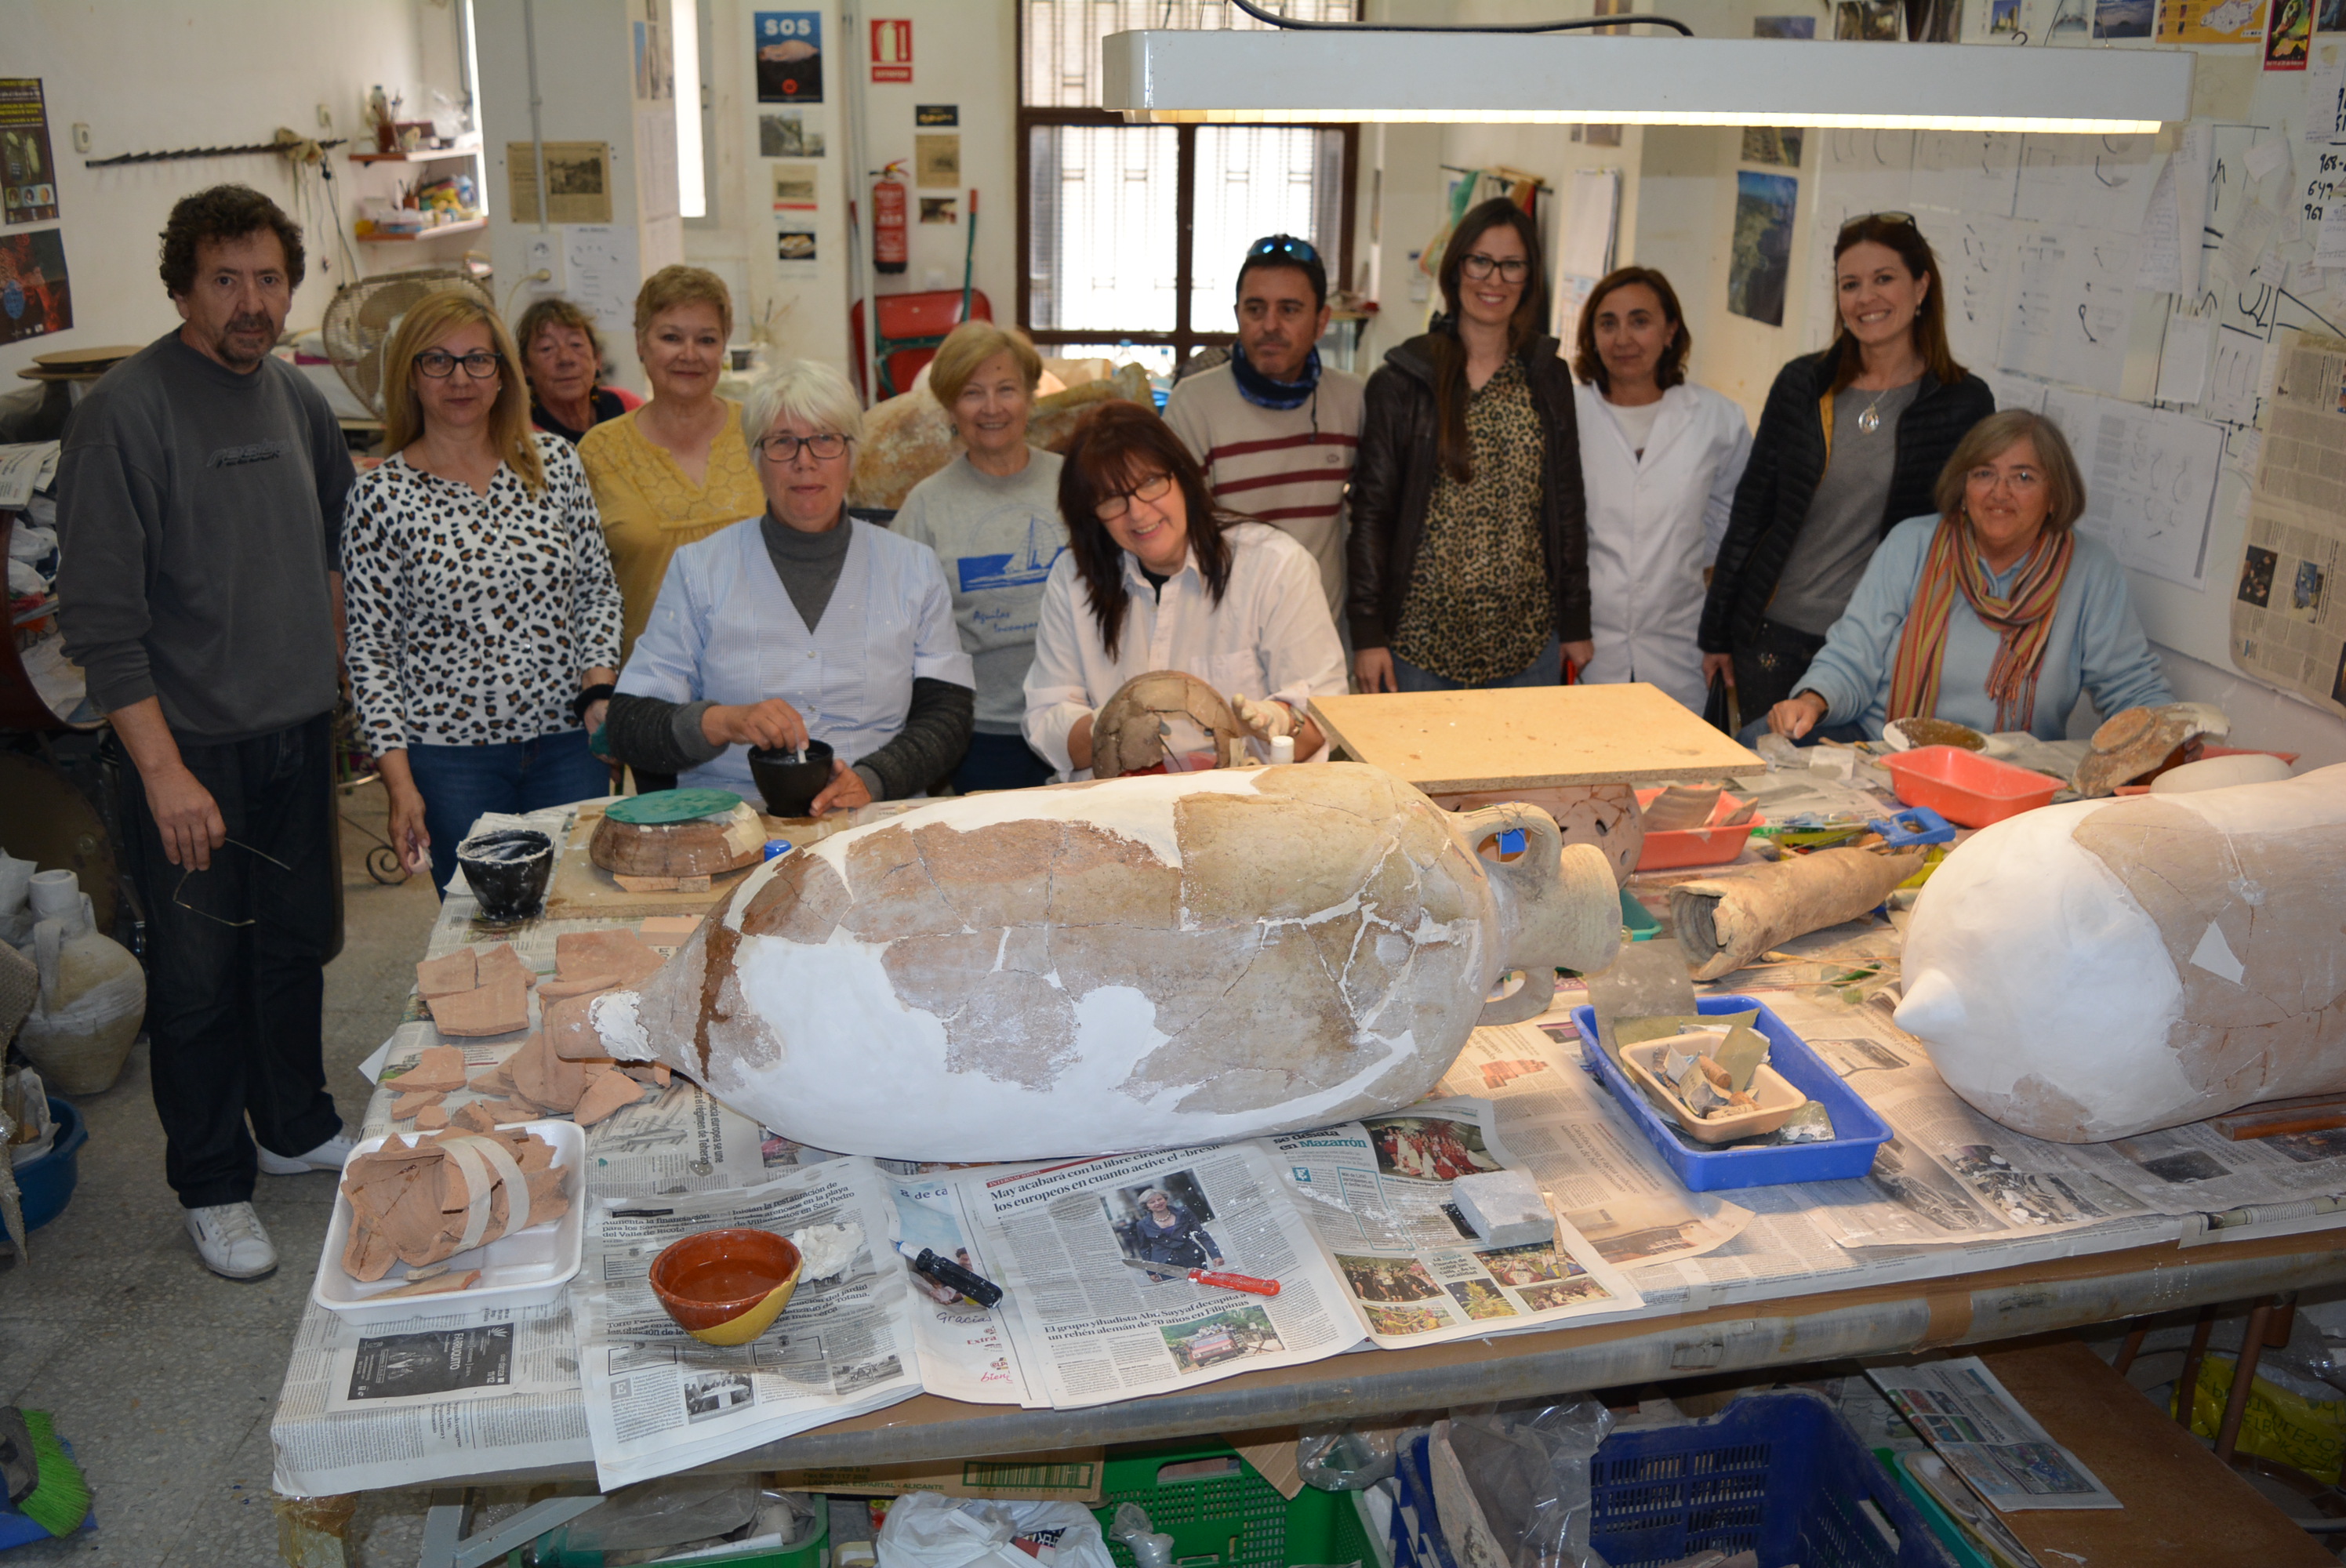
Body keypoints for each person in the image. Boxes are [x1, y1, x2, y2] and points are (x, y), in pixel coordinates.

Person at [54, 185, 355, 1279]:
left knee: (292, 950)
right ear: (181, 283)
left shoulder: (294, 399)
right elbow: (100, 624)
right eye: (225, 279)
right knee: (193, 978)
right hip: (186, 754)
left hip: (293, 737)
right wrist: (166, 772)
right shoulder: (125, 414)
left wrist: (330, 687)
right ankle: (213, 1181)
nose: (251, 301)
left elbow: (329, 542)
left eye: (270, 278)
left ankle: (293, 1128)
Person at [341, 292, 624, 895]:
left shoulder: (554, 463)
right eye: (437, 361)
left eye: (478, 360)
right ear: (410, 377)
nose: (460, 377)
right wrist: (399, 784)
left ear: (503, 375)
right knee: (480, 923)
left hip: (565, 743)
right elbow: (371, 655)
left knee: (577, 905)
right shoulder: (379, 497)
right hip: (450, 760)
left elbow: (597, 589)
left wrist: (598, 690)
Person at [602, 360, 974, 810]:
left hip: (872, 816)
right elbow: (630, 722)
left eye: (825, 440)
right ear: (756, 460)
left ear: (852, 455)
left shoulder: (913, 567)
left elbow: (948, 715)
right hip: (733, 819)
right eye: (782, 443)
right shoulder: (700, 568)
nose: (805, 462)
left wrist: (875, 779)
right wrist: (723, 722)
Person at [1701, 213, 1994, 720]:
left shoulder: (1961, 404)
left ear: (1921, 286)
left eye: (1884, 279)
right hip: (1774, 635)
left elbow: (1966, 533)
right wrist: (1717, 632)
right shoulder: (1803, 385)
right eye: (1850, 284)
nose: (1866, 298)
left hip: (1879, 647)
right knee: (1774, 784)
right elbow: (1752, 510)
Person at [1766, 410, 2173, 744]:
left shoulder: (2090, 570)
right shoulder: (1913, 544)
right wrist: (1813, 698)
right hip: (1885, 752)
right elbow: (1853, 655)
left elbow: (2131, 687)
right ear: (1963, 487)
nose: (2000, 492)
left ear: (2055, 495)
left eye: (2024, 477)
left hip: (2011, 778)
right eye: (1983, 474)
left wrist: (2171, 736)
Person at [1022, 401, 1347, 779]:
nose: (1139, 513)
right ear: (1090, 514)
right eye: (1112, 499)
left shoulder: (1275, 565)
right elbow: (1046, 718)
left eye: (1149, 482)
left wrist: (1272, 723)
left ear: (1184, 476)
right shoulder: (1074, 576)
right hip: (1110, 807)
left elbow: (1326, 721)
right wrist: (1109, 728)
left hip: (1239, 807)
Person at [1349, 198, 1591, 692]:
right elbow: (1372, 515)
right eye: (1480, 261)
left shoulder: (1548, 376)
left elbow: (1567, 505)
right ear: (1456, 268)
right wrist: (1368, 633)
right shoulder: (1401, 381)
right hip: (1418, 648)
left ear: (1529, 277)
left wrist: (1577, 621)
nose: (1494, 280)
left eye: (1512, 265)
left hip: (1527, 647)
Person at [893, 322, 1064, 794]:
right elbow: (897, 630)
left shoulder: (1076, 484)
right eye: (972, 393)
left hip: (1078, 722)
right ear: (951, 407)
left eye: (1006, 389)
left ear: (1030, 396)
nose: (992, 408)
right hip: (978, 736)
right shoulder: (925, 506)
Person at [1571, 266, 1752, 712]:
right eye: (1607, 323)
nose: (1623, 339)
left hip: (1679, 646)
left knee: (1674, 775)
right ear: (1591, 336)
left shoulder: (1717, 419)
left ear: (1670, 331)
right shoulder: (1567, 413)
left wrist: (1674, 561)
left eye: (1640, 320)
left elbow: (1733, 524)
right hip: (1584, 646)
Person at [1164, 234, 1365, 626]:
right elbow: (1177, 538)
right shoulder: (1193, 404)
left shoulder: (1353, 400)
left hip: (1322, 637)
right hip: (1224, 632)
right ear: (1237, 313)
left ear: (1321, 321)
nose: (1270, 325)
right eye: (1255, 309)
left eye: (1289, 310)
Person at [577, 265, 763, 658]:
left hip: (759, 679)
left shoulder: (762, 433)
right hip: (645, 689)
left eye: (707, 339)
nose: (689, 355)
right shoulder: (598, 453)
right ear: (641, 343)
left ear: (724, 347)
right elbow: (582, 589)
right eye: (671, 337)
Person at [516, 295, 641, 445]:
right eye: (546, 348)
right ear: (525, 368)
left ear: (597, 359)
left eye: (576, 344)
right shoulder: (523, 437)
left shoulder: (625, 405)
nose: (565, 359)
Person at [1128, 1188, 1225, 1272]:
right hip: (1165, 1265)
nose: (1158, 1203)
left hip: (1193, 1258)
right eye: (1152, 1202)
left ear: (1165, 1199)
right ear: (1147, 1206)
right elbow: (1145, 1249)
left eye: (1160, 1199)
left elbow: (1201, 1234)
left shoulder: (1184, 1212)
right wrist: (1151, 1272)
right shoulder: (1142, 1225)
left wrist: (1215, 1255)